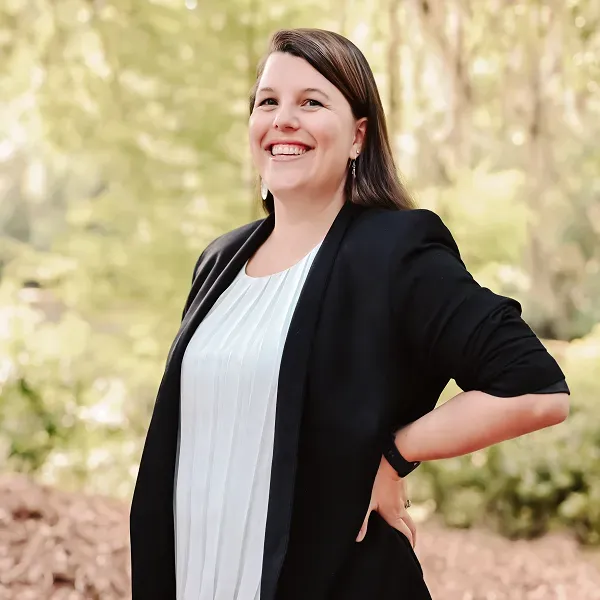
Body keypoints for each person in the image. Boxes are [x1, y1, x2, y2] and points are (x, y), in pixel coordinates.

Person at [129, 28, 570, 600]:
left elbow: (536, 390)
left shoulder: (395, 251)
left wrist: (395, 454)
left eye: (311, 102)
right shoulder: (219, 261)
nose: (283, 119)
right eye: (268, 101)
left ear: (358, 135)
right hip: (196, 575)